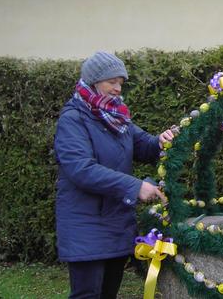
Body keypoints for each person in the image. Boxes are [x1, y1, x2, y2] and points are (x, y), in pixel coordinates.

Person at [53, 51, 175, 299]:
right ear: (93, 82)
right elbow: (81, 169)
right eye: (112, 82)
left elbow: (145, 146)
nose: (118, 88)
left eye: (121, 82)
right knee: (87, 294)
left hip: (117, 224)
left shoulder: (117, 117)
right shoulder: (73, 119)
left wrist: (162, 141)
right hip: (85, 227)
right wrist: (135, 187)